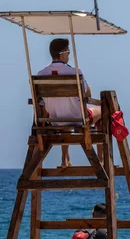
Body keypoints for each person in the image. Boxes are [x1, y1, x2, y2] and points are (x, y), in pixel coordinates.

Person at [37, 38, 102, 168]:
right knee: (103, 110)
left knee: (62, 112)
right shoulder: (75, 73)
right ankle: (101, 159)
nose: (69, 55)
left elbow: (41, 101)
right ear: (63, 54)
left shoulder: (41, 75)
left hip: (55, 120)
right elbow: (87, 94)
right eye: (68, 52)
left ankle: (65, 159)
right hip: (78, 119)